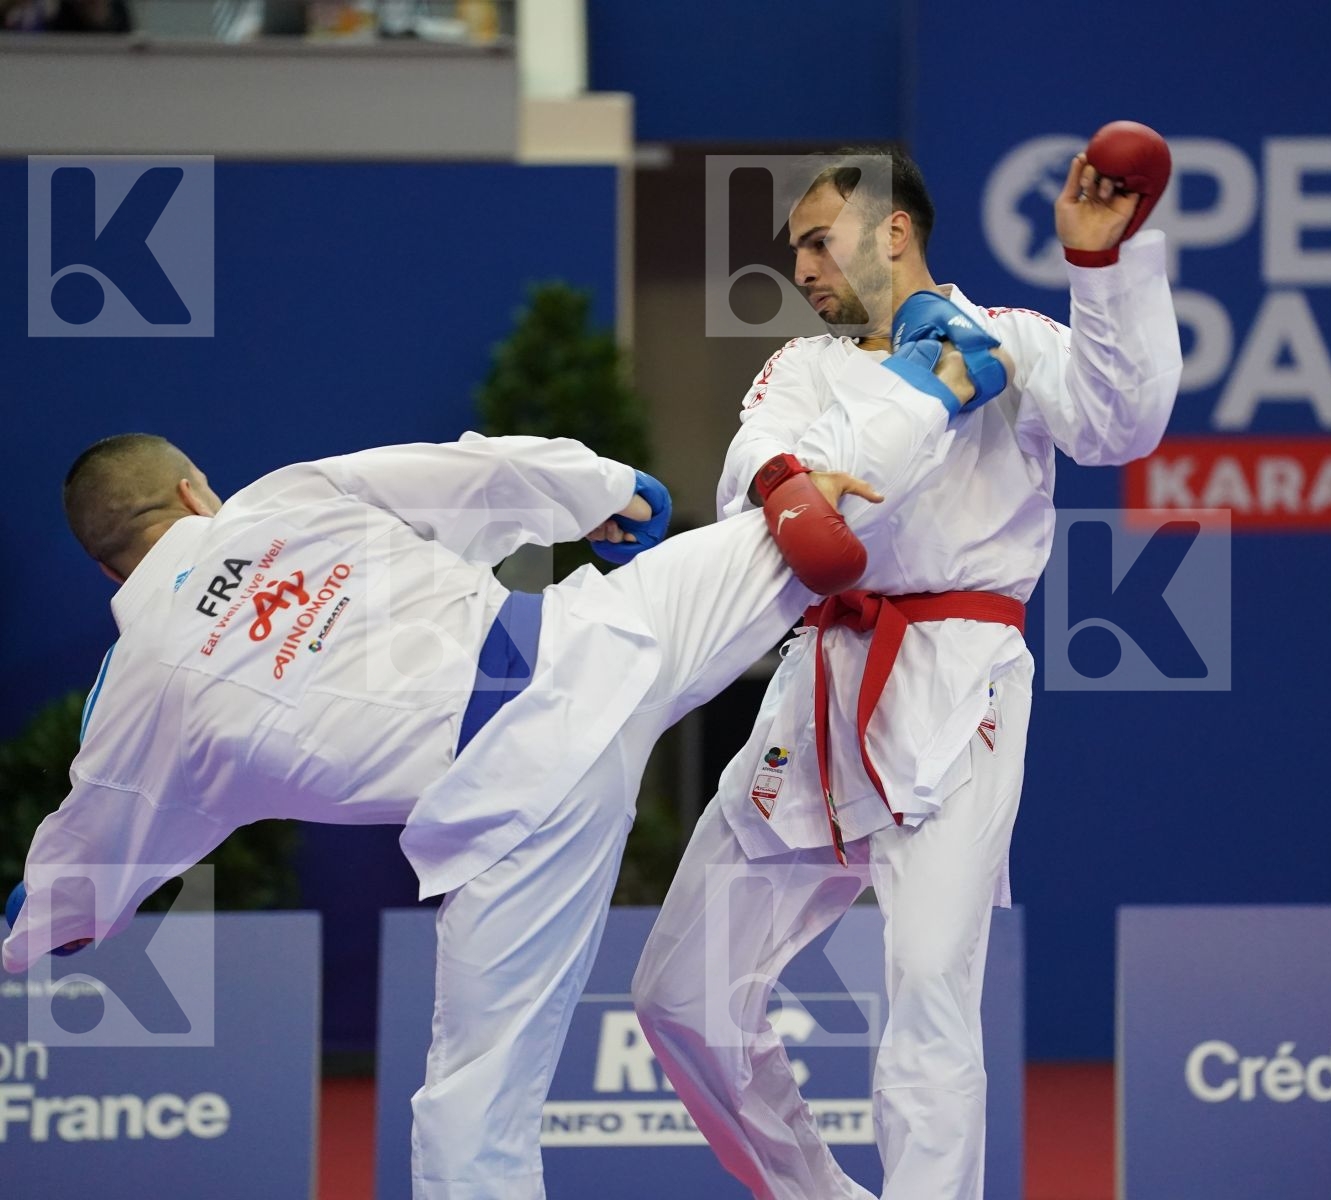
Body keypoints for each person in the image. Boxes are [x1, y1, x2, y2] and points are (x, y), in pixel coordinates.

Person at [1, 316, 1001, 1198]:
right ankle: (937, 379)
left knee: (471, 1114)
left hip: (512, 810)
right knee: (790, 532)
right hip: (588, 645)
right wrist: (609, 492)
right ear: (191, 491)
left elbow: (78, 879)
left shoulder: (137, 705)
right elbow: (470, 469)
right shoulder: (278, 502)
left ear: (104, 566)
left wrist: (34, 930)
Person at [632, 136, 1182, 1200]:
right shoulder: (796, 367)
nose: (799, 270)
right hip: (821, 678)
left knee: (929, 986)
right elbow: (761, 484)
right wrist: (906, 394)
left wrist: (1098, 272)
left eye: (816, 242)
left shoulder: (1008, 342)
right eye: (794, 251)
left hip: (958, 678)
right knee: (679, 996)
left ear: (893, 230)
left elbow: (1123, 424)